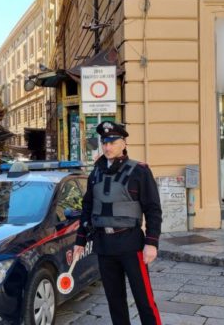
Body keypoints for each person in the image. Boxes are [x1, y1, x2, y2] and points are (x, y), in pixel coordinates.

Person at [73, 121, 163, 325]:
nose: (107, 147)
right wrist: (80, 240)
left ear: (123, 143)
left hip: (131, 243)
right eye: (104, 142)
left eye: (113, 141)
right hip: (104, 245)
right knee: (115, 301)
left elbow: (153, 209)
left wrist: (152, 242)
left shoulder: (139, 171)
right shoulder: (95, 172)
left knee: (144, 299)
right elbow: (88, 207)